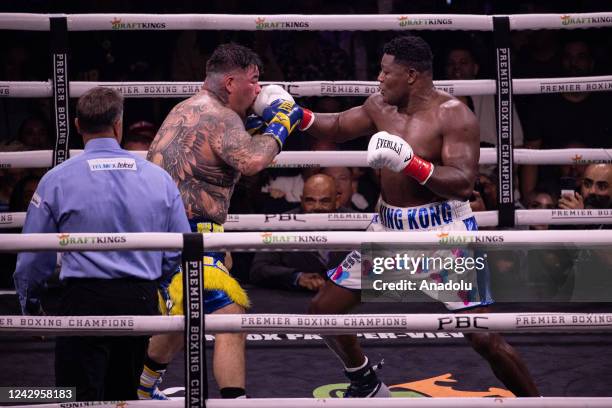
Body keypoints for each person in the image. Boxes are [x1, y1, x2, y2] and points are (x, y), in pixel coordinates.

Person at [296, 35, 539, 397]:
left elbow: (461, 182)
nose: (379, 79)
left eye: (385, 72)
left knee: (484, 338)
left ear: (411, 75)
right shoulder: (380, 106)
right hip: (389, 230)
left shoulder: (454, 115)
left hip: (442, 232)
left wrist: (412, 165)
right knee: (324, 312)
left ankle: (539, 402)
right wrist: (294, 114)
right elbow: (335, 126)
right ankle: (364, 381)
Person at [142, 43, 309, 400]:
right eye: (254, 80)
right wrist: (282, 121)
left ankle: (142, 387)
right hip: (186, 236)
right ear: (232, 82)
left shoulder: (189, 109)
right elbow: (251, 162)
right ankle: (236, 403)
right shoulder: (221, 117)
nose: (259, 89)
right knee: (232, 319)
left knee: (183, 315)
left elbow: (219, 155)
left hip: (176, 232)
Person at [13, 87, 190, 401]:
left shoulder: (56, 179)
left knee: (78, 397)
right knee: (123, 395)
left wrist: (32, 304)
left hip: (83, 298)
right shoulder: (158, 178)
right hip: (139, 296)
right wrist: (154, 282)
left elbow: (33, 256)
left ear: (78, 126)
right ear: (119, 124)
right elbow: (178, 246)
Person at [250, 173, 349, 291]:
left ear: (337, 201)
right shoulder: (281, 224)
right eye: (310, 201)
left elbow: (374, 276)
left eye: (325, 201)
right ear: (301, 200)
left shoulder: (359, 223)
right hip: (293, 302)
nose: (317, 207)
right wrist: (297, 277)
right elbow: (258, 270)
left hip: (351, 305)